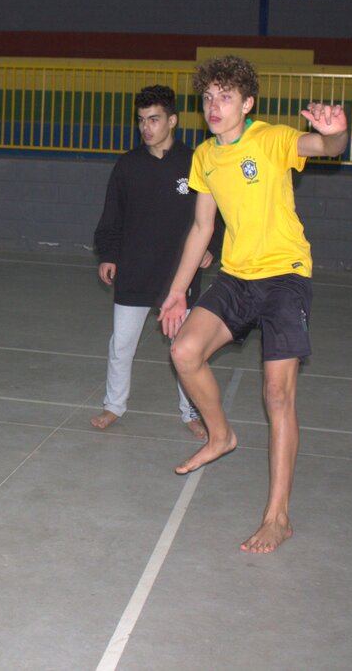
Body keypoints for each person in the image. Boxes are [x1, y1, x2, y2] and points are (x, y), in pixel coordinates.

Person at [157, 55, 347, 555]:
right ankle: (220, 435)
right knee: (184, 351)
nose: (214, 106)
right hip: (237, 276)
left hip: (285, 276)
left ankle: (277, 517)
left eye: (226, 97)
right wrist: (177, 291)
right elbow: (203, 228)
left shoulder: (270, 139)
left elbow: (321, 146)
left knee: (277, 395)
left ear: (247, 103)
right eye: (208, 97)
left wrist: (335, 135)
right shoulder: (204, 156)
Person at [91, 85, 212, 439]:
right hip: (134, 271)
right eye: (142, 120)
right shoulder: (127, 166)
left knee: (184, 350)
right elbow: (112, 215)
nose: (146, 127)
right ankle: (114, 406)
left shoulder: (195, 163)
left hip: (179, 275)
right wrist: (108, 254)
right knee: (121, 345)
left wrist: (212, 247)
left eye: (154, 119)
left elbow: (216, 213)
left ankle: (191, 411)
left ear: (172, 121)